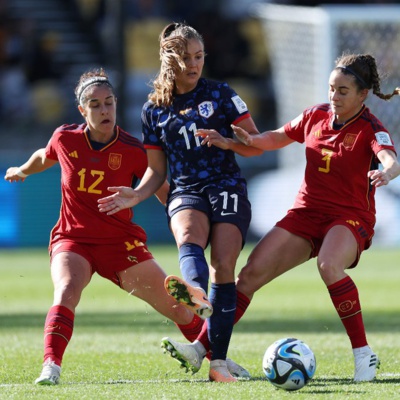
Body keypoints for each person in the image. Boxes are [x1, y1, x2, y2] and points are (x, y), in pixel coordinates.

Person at [150, 53, 400, 382]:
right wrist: (240, 141)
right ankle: (199, 349)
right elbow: (276, 137)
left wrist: (387, 172)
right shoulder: (315, 115)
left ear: (362, 95)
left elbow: (390, 158)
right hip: (306, 214)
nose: (333, 97)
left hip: (349, 217)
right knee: (250, 276)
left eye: (342, 91)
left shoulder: (370, 128)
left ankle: (363, 354)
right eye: (331, 89)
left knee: (328, 265)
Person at [4, 68, 215, 385]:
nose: (104, 110)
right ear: (82, 110)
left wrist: (189, 225)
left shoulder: (133, 149)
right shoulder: (65, 138)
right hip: (73, 241)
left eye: (109, 102)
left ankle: (217, 362)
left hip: (121, 245)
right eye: (95, 104)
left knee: (179, 310)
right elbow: (44, 156)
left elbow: (163, 190)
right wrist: (21, 170)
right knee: (65, 291)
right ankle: (51, 366)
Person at [97, 22, 262, 382]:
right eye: (186, 57)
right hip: (186, 189)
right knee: (187, 232)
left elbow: (256, 144)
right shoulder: (154, 110)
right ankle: (196, 293)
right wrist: (138, 194)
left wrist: (230, 141)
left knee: (223, 263)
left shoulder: (222, 95)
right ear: (169, 61)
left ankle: (218, 364)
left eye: (199, 56)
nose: (194, 63)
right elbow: (156, 172)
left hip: (226, 185)